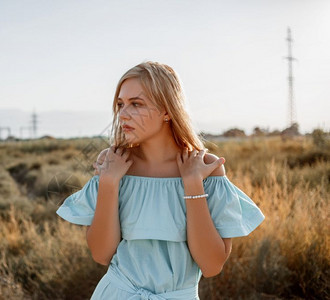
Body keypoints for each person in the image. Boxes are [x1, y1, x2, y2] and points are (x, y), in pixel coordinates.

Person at [56, 61, 265, 299]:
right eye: (120, 104)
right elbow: (101, 254)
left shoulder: (207, 169)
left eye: (136, 104)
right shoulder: (113, 161)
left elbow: (211, 265)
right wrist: (109, 183)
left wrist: (193, 184)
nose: (123, 114)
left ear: (167, 110)